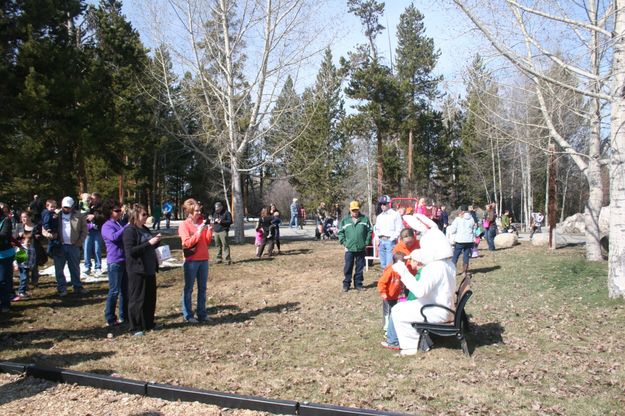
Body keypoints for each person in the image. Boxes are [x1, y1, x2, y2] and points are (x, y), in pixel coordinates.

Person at [390, 228, 456, 355]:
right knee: (401, 307)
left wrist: (403, 272)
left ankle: (411, 346)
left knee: (398, 311)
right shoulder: (448, 264)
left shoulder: (435, 267)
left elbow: (420, 291)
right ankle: (414, 340)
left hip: (438, 310)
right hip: (445, 306)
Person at [123, 203, 161, 336]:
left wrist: (156, 242)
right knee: (137, 298)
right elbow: (131, 251)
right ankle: (135, 327)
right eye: (144, 214)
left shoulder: (144, 229)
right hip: (137, 270)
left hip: (149, 268)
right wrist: (149, 243)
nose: (146, 217)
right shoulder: (129, 231)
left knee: (150, 297)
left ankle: (148, 323)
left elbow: (149, 245)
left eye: (147, 214)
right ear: (135, 216)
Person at [178, 198, 213, 323]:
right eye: (197, 211)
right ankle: (188, 315)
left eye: (199, 210)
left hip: (204, 259)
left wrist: (209, 229)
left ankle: (202, 314)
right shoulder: (184, 225)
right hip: (191, 260)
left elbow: (207, 241)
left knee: (202, 288)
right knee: (189, 288)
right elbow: (187, 243)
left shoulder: (201, 222)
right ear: (190, 212)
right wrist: (198, 232)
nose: (199, 213)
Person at [51, 196, 88, 297]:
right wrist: (49, 235)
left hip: (74, 246)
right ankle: (62, 288)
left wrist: (79, 242)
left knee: (75, 268)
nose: (66, 209)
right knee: (59, 269)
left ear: (72, 206)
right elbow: (46, 227)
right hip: (59, 246)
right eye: (64, 207)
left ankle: (77, 286)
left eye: (68, 207)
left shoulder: (79, 216)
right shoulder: (55, 215)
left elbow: (84, 230)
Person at [101, 199, 129, 327]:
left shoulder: (119, 223)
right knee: (114, 291)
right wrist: (126, 227)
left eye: (120, 210)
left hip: (125, 260)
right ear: (110, 212)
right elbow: (113, 237)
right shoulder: (107, 226)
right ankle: (110, 317)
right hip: (115, 262)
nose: (119, 212)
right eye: (116, 210)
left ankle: (124, 315)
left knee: (125, 290)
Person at [338, 200, 372, 292]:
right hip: (349, 248)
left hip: (361, 247)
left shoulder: (364, 219)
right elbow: (340, 233)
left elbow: (369, 231)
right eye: (353, 210)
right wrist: (344, 242)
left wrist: (366, 242)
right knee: (348, 266)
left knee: (360, 267)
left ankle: (358, 284)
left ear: (358, 209)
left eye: (356, 210)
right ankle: (346, 284)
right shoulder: (345, 220)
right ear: (350, 210)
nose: (355, 212)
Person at [377, 252, 407, 337]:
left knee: (398, 310)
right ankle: (387, 329)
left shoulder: (402, 270)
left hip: (399, 295)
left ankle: (397, 327)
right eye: (403, 262)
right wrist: (383, 292)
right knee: (388, 312)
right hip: (389, 296)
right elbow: (382, 282)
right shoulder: (390, 271)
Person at [374, 195, 404, 270]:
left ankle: (390, 279)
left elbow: (399, 228)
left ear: (388, 204)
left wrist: (391, 239)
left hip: (390, 241)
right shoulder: (379, 216)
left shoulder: (395, 214)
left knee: (389, 264)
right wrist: (377, 238)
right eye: (381, 204)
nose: (382, 206)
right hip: (381, 241)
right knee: (383, 264)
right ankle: (385, 278)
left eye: (384, 204)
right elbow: (377, 229)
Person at [447, 205, 476, 278]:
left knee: (455, 255)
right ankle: (464, 272)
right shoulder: (471, 218)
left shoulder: (458, 219)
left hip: (460, 240)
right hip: (469, 240)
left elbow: (453, 230)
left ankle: (452, 271)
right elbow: (474, 227)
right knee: (466, 255)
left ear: (461, 211)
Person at [84, 192, 105, 277]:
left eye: (93, 198)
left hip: (97, 230)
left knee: (97, 249)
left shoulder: (102, 207)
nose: (92, 200)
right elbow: (81, 214)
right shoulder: (87, 206)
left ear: (98, 199)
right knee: (87, 249)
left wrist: (94, 217)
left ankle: (98, 267)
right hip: (88, 230)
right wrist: (85, 202)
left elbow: (104, 217)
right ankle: (87, 267)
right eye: (91, 199)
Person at [0, 202, 16, 312]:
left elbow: (4, 236)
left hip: (4, 255)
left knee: (3, 280)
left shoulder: (6, 220)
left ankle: (5, 304)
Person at [13, 230, 37, 301]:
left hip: (28, 266)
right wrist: (16, 265)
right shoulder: (21, 248)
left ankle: (23, 290)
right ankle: (21, 292)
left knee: (25, 279)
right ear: (23, 240)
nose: (29, 243)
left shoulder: (32, 248)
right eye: (27, 241)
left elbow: (33, 257)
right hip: (22, 266)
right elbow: (16, 258)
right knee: (24, 278)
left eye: (30, 241)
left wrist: (33, 265)